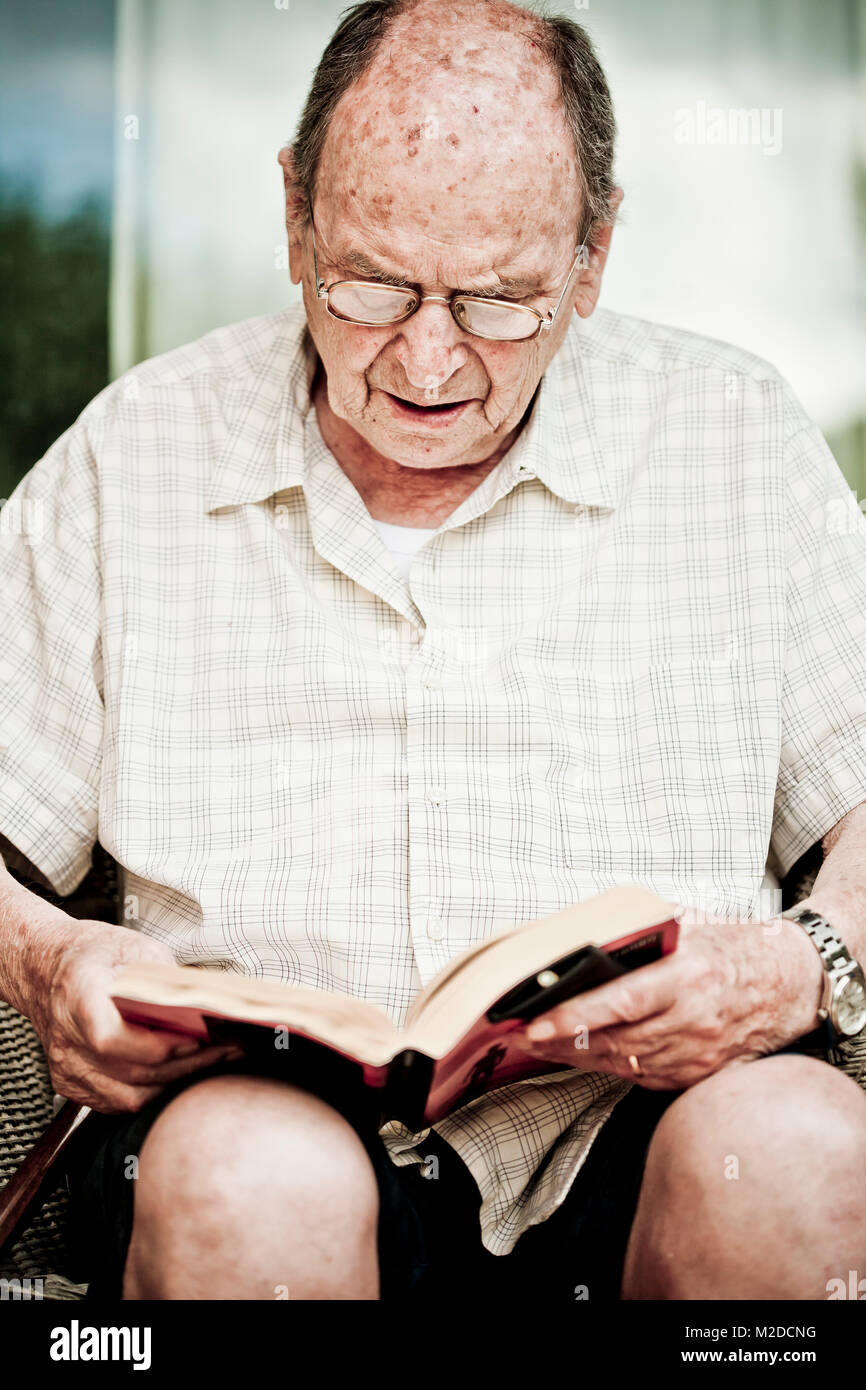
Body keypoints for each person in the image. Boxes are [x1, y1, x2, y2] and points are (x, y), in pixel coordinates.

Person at [2, 0, 866, 1302]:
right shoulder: (137, 454)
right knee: (247, 1168)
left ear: (592, 255)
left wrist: (806, 961)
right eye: (370, 281)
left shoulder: (733, 440)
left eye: (500, 300)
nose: (424, 358)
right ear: (293, 218)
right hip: (251, 1138)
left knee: (795, 1149)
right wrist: (47, 959)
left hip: (639, 1137)